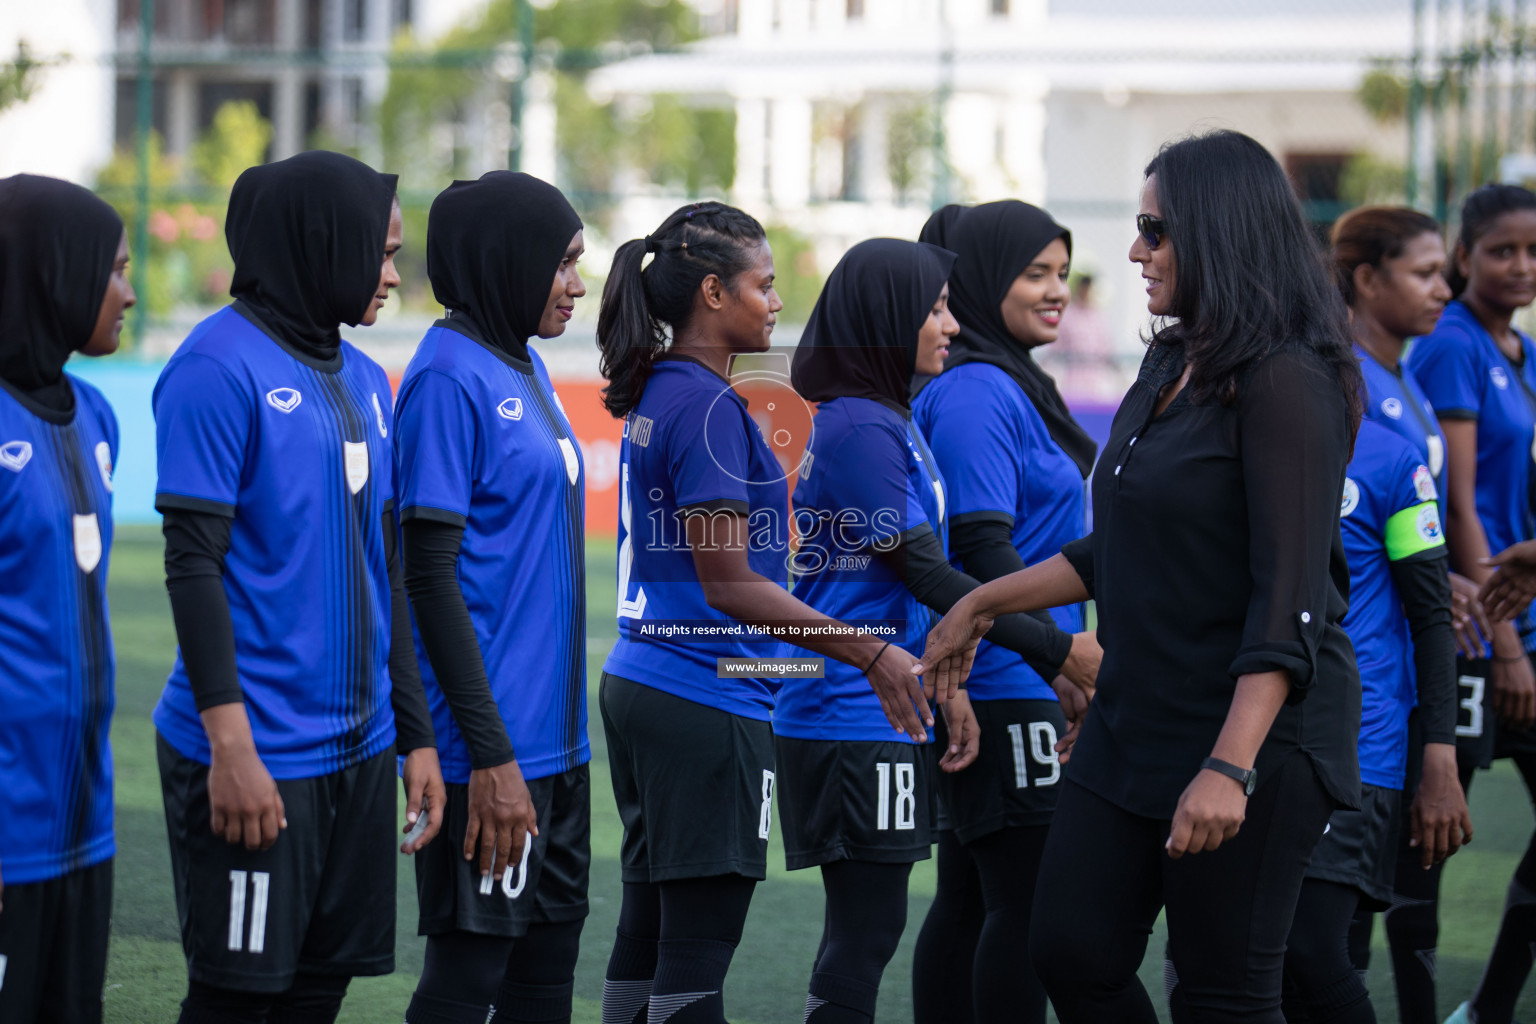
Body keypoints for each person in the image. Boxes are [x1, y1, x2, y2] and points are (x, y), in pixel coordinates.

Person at [917, 129, 1364, 1023]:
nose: (1134, 251)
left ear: (1219, 232)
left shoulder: (1287, 380)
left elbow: (1291, 598)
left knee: (1221, 993)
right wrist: (980, 603)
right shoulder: (1170, 360)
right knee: (1069, 948)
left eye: (1154, 230)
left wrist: (1229, 769)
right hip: (1137, 718)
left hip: (1253, 735)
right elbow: (1119, 542)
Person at [592, 203, 937, 1024]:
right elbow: (732, 585)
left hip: (645, 678)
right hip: (703, 696)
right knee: (694, 966)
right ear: (712, 292)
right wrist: (872, 654)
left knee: (646, 937)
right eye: (764, 284)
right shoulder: (710, 409)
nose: (779, 303)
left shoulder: (667, 389)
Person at [152, 151, 443, 1024]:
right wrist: (231, 749)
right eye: (382, 252)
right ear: (322, 244)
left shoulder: (365, 377)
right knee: (238, 1000)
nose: (393, 276)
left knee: (320, 990)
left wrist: (414, 736)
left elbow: (384, 565)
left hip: (358, 751)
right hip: (257, 752)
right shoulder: (215, 366)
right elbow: (192, 564)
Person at [780, 237, 1098, 1024]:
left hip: (888, 705)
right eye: (933, 308)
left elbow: (918, 585)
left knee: (884, 927)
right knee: (863, 937)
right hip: (850, 710)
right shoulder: (859, 428)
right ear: (886, 318)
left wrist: (948, 681)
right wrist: (1060, 649)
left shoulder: (888, 419)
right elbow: (928, 571)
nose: (951, 325)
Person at [393, 172, 591, 1024]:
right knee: (465, 985)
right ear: (507, 260)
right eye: (564, 264)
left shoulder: (526, 361)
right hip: (492, 751)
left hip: (558, 747)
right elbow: (426, 577)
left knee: (542, 988)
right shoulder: (448, 378)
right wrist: (492, 758)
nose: (577, 284)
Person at [908, 200, 1099, 1024]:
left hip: (1013, 674)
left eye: (1061, 272)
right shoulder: (981, 389)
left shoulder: (1009, 378)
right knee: (1021, 911)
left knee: (975, 899)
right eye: (1035, 274)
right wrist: (1060, 653)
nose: (1056, 291)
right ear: (984, 283)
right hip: (1006, 680)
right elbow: (979, 550)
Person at [1330, 205, 1480, 1024]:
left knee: (1348, 924)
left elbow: (1413, 538)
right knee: (1317, 946)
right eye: (1424, 273)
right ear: (1365, 279)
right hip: (1352, 704)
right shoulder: (1347, 385)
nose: (1443, 288)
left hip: (1396, 690)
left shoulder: (1406, 382)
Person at [0, 174, 135, 1023]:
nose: (127, 291)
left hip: (86, 817)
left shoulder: (94, 414)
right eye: (112, 269)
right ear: (53, 272)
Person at [1280, 417, 1467, 1024]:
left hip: (1357, 749)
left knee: (1312, 950)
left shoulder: (1391, 458)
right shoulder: (1240, 435)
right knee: (1239, 960)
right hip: (1247, 741)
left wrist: (1439, 755)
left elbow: (1432, 616)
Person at [1408, 183, 1536, 1024]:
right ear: (1463, 257)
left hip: (1517, 614)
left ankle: (1486, 1008)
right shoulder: (1453, 345)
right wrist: (1507, 638)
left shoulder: (1517, 348)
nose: (1521, 265)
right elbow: (1456, 504)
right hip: (1475, 624)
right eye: (1502, 250)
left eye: (1532, 251)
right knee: (1426, 837)